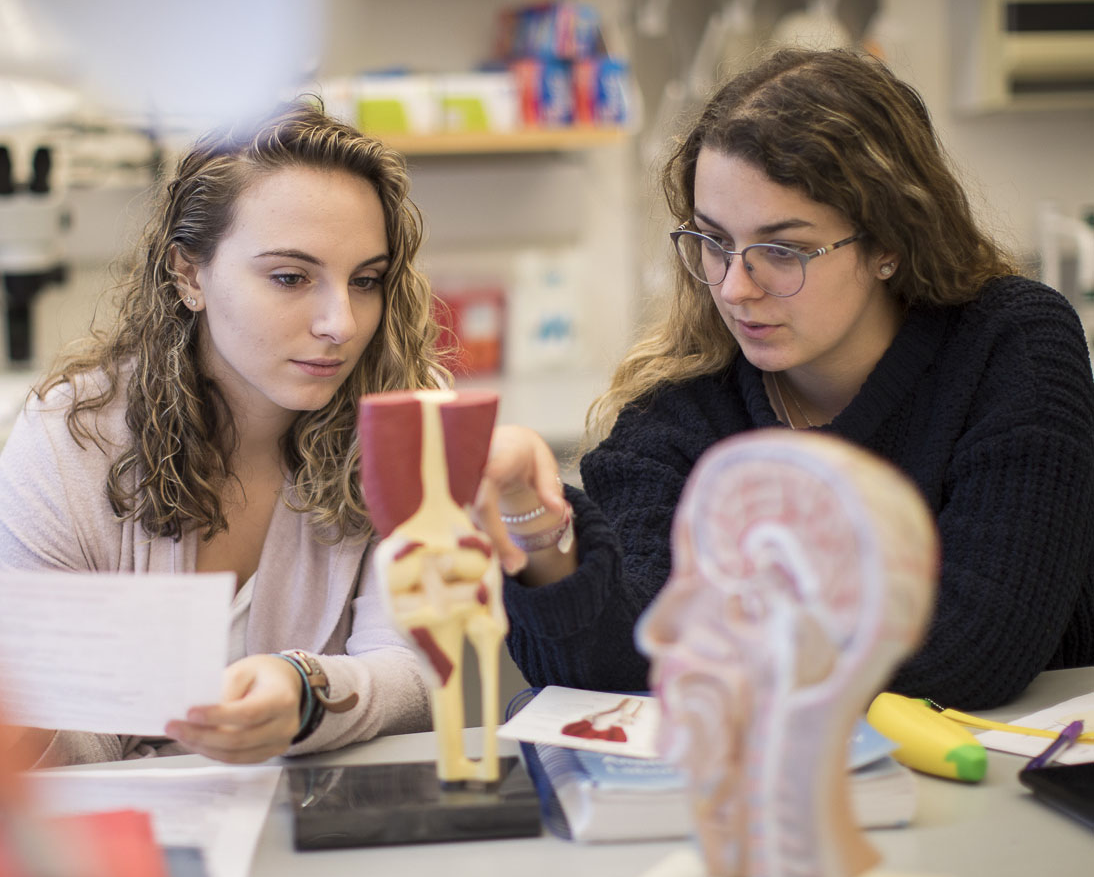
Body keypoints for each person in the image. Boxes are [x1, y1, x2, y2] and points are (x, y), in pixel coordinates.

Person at [481, 47, 1094, 711]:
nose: (735, 287)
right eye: (713, 242)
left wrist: (708, 644)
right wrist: (535, 522)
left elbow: (969, 654)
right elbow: (601, 664)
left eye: (783, 249)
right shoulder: (681, 407)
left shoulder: (1011, 345)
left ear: (890, 242)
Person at [0, 99, 446, 766]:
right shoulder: (71, 440)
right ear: (189, 275)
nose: (341, 323)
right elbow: (56, 719)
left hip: (314, 830)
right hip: (121, 845)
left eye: (366, 281)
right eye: (291, 277)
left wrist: (306, 692)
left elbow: (417, 666)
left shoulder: (409, 417)